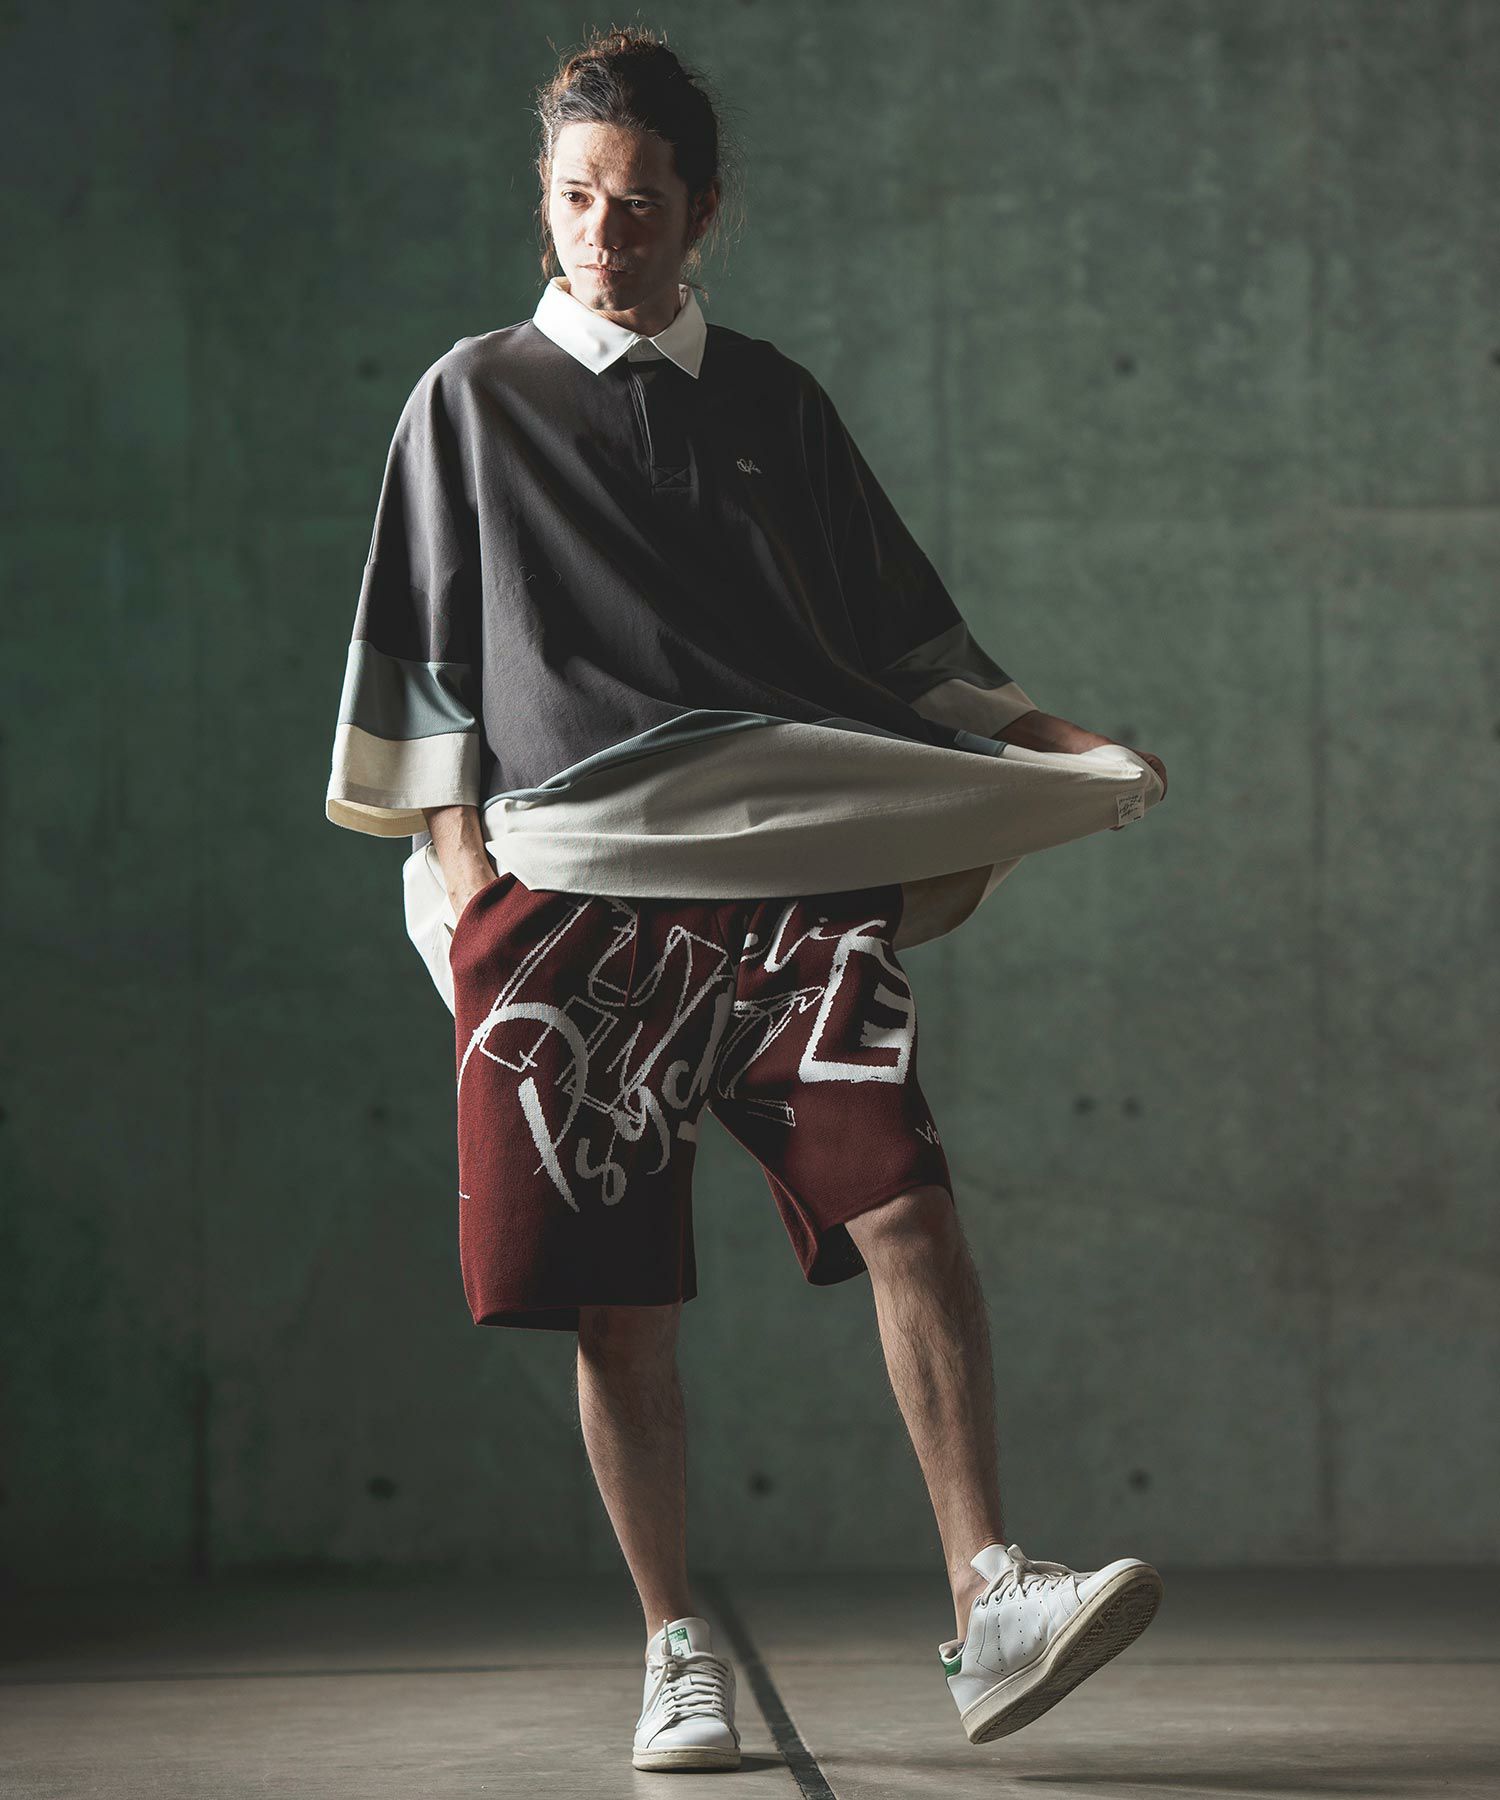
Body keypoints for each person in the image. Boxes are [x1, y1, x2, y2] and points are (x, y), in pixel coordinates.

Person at [325, 25, 1168, 1773]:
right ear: (543, 198)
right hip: (569, 907)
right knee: (622, 1298)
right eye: (577, 198)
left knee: (907, 1209)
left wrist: (1069, 748)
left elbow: (911, 647)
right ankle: (673, 1651)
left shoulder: (775, 403)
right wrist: (473, 896)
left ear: (705, 210)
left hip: (787, 892)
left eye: (642, 204)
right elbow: (418, 677)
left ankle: (991, 1597)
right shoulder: (468, 399)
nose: (605, 235)